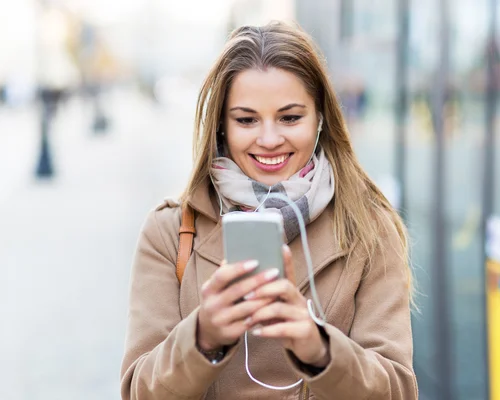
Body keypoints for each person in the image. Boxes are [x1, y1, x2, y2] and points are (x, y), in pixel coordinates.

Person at [120, 22, 418, 400]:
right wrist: (202, 337)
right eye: (246, 120)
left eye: (290, 117)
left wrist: (319, 349)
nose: (270, 139)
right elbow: (138, 392)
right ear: (222, 127)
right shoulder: (169, 231)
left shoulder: (368, 228)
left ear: (320, 119)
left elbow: (398, 391)